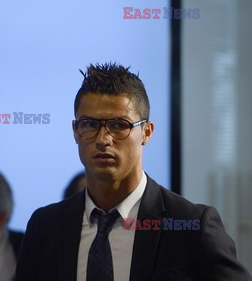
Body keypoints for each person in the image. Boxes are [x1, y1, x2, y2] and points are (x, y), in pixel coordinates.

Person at [15, 63, 252, 280]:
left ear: (147, 132)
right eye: (90, 124)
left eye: (119, 125)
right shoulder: (45, 226)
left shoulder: (191, 225)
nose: (103, 139)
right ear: (75, 131)